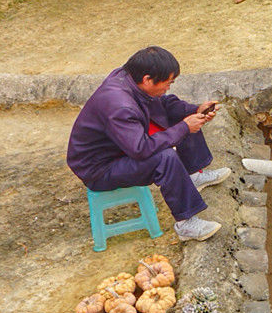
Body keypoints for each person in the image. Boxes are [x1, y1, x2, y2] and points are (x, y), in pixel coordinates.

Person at [67, 46, 230, 240]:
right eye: (167, 82)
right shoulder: (120, 106)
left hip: (120, 147)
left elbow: (164, 105)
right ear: (147, 79)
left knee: (183, 117)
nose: (169, 87)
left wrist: (195, 109)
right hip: (99, 169)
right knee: (165, 157)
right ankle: (186, 224)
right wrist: (184, 127)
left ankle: (193, 175)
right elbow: (141, 149)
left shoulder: (129, 80)